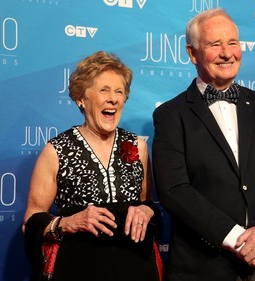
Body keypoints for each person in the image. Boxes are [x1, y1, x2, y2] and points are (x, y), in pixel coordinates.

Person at [152, 8, 255, 281]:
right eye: (215, 45)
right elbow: (174, 189)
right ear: (192, 53)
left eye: (233, 43)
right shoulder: (171, 115)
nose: (227, 53)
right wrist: (238, 239)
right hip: (205, 269)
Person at [23, 51, 162, 281]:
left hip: (137, 269)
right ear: (81, 98)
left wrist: (146, 210)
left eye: (119, 92)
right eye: (104, 90)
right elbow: (31, 220)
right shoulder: (57, 150)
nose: (113, 98)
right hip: (79, 268)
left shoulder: (137, 146)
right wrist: (68, 223)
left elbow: (147, 203)